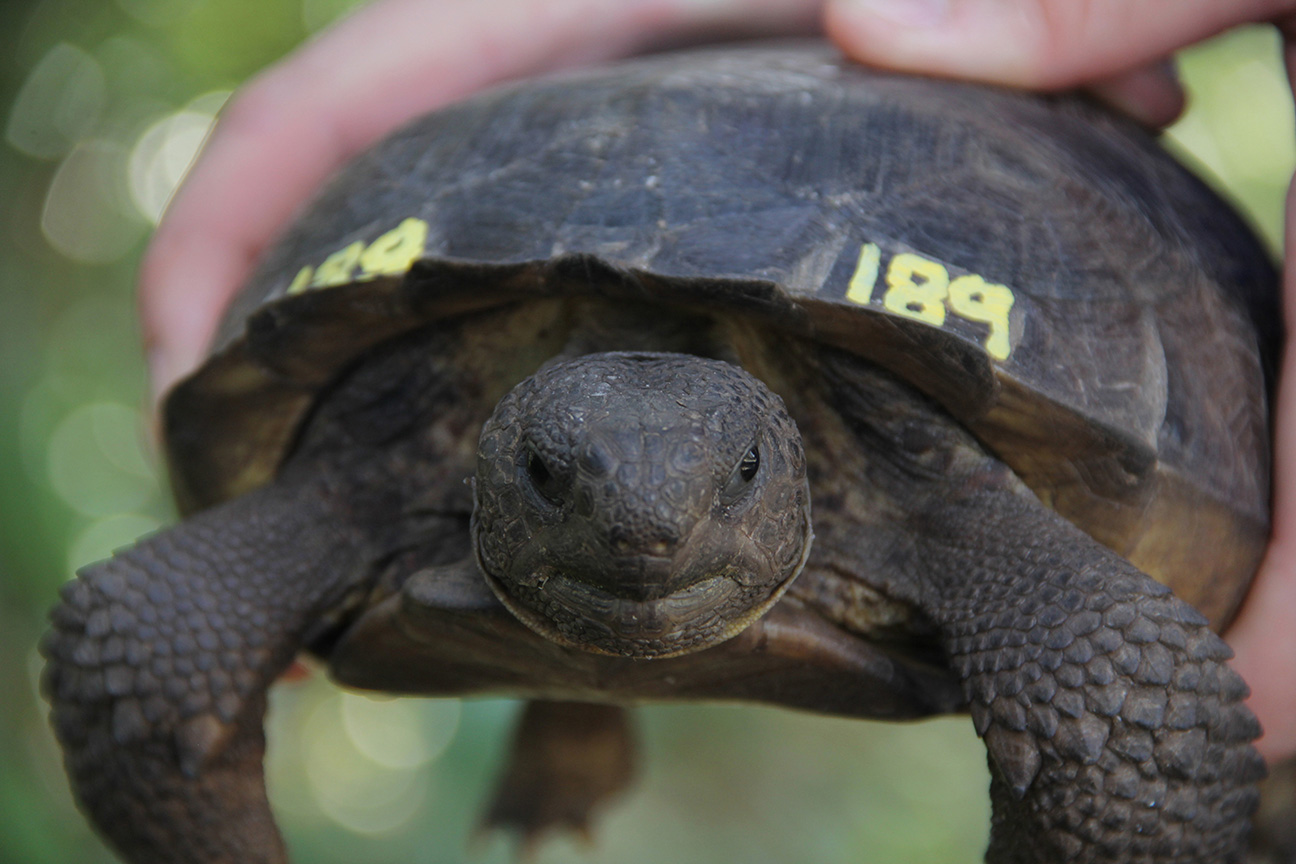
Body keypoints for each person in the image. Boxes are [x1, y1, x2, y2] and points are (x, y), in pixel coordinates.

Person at [138, 0, 1296, 764]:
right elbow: (141, 643)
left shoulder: (953, 491)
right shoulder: (376, 453)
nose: (651, 535)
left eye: (726, 483)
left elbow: (1140, 743)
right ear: (495, 450)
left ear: (772, 460)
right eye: (549, 477)